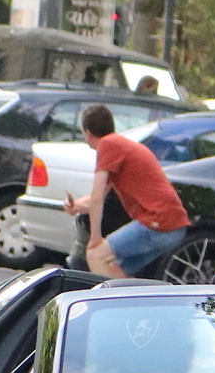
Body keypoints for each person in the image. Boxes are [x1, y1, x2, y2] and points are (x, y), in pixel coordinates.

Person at [65, 103, 191, 279]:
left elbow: (97, 198)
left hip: (158, 222)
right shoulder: (119, 145)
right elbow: (98, 197)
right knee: (116, 269)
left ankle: (107, 305)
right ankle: (129, 303)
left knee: (96, 255)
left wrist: (95, 238)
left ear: (86, 132)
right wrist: (76, 206)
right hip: (174, 227)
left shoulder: (108, 145)